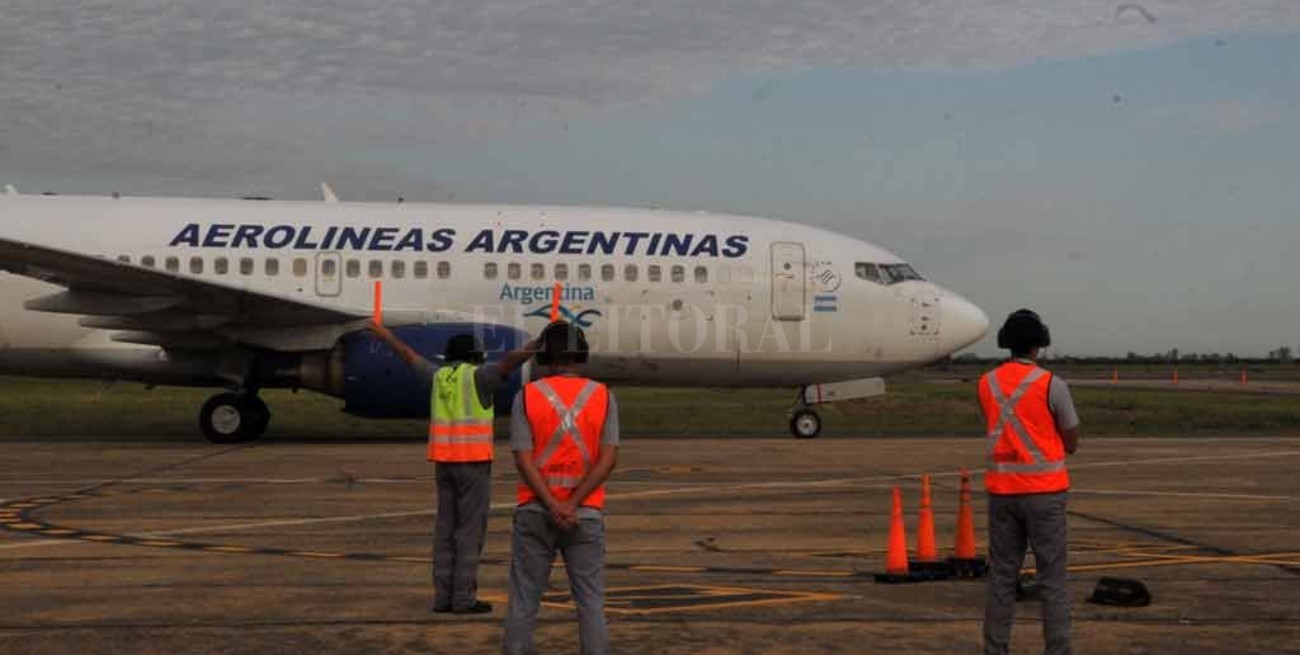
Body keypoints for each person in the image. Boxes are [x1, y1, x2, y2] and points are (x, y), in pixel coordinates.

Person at [368, 322, 535, 614]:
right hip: (473, 464)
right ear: (476, 356)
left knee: (445, 530)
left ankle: (442, 597)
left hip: (444, 463)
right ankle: (463, 599)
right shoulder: (479, 377)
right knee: (469, 532)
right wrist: (538, 343)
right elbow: (510, 362)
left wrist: (385, 336)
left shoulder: (438, 376)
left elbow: (409, 355)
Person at [503, 321, 618, 655]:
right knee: (590, 603)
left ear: (544, 355)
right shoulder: (603, 396)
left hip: (535, 512)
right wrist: (572, 504)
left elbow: (524, 460)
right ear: (580, 353)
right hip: (585, 514)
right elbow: (608, 459)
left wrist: (553, 503)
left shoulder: (526, 396)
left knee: (524, 601)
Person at [978, 309, 1080, 655]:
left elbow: (996, 423)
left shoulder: (986, 383)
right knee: (1052, 580)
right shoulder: (1052, 384)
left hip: (1002, 493)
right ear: (1040, 343)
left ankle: (995, 649)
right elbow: (1071, 439)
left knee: (1002, 580)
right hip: (1045, 494)